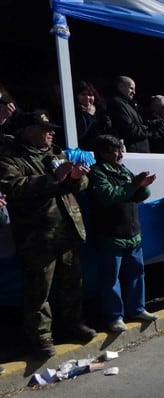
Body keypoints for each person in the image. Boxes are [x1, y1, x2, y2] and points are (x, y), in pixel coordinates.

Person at [0, 110, 97, 357]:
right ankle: (41, 337)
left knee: (72, 283)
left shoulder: (57, 154)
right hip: (37, 236)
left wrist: (76, 177)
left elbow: (81, 185)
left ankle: (75, 324)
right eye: (45, 129)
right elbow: (13, 187)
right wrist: (54, 177)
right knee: (38, 290)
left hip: (67, 230)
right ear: (27, 131)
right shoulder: (11, 158)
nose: (51, 132)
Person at [88, 135, 158, 332]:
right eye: (115, 150)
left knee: (137, 272)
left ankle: (137, 308)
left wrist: (143, 186)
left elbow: (140, 195)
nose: (120, 154)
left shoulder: (123, 170)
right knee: (111, 279)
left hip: (132, 232)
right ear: (103, 153)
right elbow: (108, 196)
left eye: (120, 149)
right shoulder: (97, 172)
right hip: (111, 234)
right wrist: (134, 185)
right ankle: (115, 317)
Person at [108, 75, 150, 153]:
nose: (134, 92)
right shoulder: (117, 104)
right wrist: (148, 129)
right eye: (131, 88)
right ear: (120, 87)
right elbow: (129, 130)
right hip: (133, 153)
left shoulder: (127, 104)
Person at [74, 80, 112, 150]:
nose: (87, 97)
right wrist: (88, 114)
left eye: (90, 95)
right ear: (76, 96)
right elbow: (78, 133)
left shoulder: (101, 112)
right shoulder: (73, 112)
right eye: (83, 94)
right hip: (84, 152)